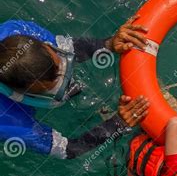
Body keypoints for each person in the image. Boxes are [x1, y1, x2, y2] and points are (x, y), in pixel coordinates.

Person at [0, 16, 149, 159]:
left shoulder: (19, 32)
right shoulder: (11, 122)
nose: (67, 78)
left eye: (62, 63)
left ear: (45, 45)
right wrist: (116, 124)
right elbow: (69, 149)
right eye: (55, 86)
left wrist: (108, 44)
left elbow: (70, 47)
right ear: (20, 94)